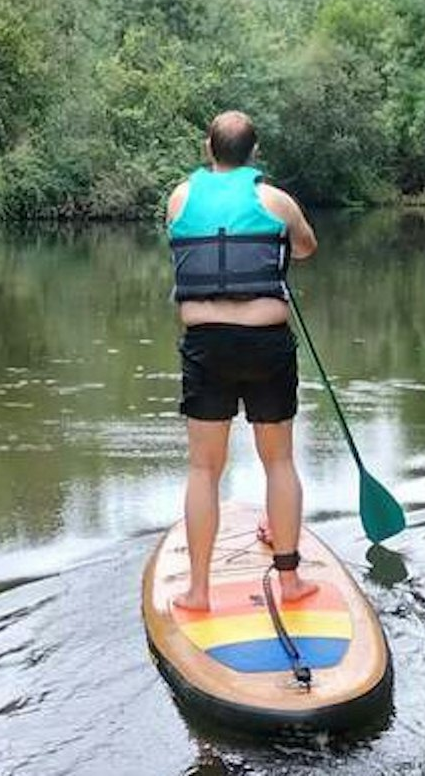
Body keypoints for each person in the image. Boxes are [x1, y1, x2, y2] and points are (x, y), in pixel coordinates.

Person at [165, 110, 319, 611]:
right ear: (255, 153)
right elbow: (306, 248)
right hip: (265, 343)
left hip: (206, 346)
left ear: (208, 148)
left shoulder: (179, 199)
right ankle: (290, 581)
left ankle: (199, 590)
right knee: (279, 461)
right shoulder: (276, 201)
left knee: (203, 470)